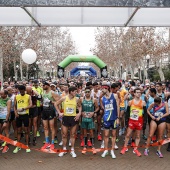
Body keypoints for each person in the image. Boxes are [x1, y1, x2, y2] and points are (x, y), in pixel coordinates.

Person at [56, 86, 82, 158]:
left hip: (73, 118)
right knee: (64, 135)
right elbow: (55, 104)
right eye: (75, 91)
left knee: (73, 135)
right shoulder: (64, 98)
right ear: (71, 92)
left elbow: (80, 107)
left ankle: (72, 150)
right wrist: (59, 112)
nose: (76, 93)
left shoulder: (77, 99)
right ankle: (64, 149)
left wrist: (79, 114)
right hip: (65, 118)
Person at [120, 88, 147, 157]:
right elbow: (127, 113)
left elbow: (145, 113)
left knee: (138, 135)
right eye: (137, 92)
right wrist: (126, 121)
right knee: (128, 134)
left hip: (139, 120)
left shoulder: (143, 102)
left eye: (140, 92)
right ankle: (125, 147)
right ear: (134, 93)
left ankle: (136, 148)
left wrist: (144, 122)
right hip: (132, 120)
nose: (139, 93)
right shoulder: (130, 102)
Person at [100, 82, 120, 159]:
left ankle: (112, 150)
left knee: (114, 135)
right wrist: (104, 109)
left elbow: (118, 107)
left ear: (107, 88)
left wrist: (118, 118)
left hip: (114, 118)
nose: (103, 89)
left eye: (104, 88)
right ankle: (106, 150)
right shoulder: (102, 98)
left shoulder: (114, 95)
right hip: (106, 119)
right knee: (106, 135)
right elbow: (102, 105)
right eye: (102, 88)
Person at [13, 85, 32, 153]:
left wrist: (24, 108)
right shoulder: (17, 96)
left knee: (26, 130)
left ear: (25, 90)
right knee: (19, 131)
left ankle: (27, 145)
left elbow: (30, 105)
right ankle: (18, 146)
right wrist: (15, 113)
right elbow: (14, 106)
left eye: (22, 91)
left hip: (25, 115)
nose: (21, 92)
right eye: (20, 91)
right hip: (19, 116)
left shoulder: (28, 96)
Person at [80, 86, 99, 154]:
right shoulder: (82, 99)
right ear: (84, 93)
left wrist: (94, 112)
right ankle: (85, 146)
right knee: (84, 132)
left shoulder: (94, 99)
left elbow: (97, 107)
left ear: (90, 92)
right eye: (86, 92)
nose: (87, 93)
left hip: (90, 118)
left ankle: (93, 146)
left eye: (88, 92)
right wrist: (81, 112)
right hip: (84, 118)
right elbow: (79, 106)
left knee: (91, 132)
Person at [41, 81, 59, 150]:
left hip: (51, 111)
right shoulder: (43, 93)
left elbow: (58, 101)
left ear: (47, 85)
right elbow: (43, 101)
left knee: (52, 127)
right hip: (44, 110)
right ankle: (47, 142)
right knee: (45, 127)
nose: (43, 87)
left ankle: (52, 142)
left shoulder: (52, 93)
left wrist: (51, 102)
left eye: (44, 85)